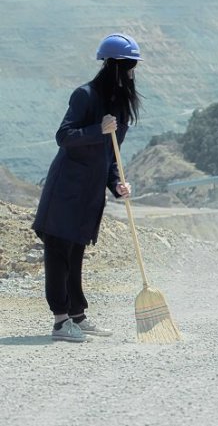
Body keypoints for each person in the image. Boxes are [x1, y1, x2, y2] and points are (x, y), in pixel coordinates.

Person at [32, 33, 142, 342]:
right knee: (58, 252)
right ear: (113, 66)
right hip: (65, 189)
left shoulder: (120, 108)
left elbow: (110, 157)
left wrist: (117, 184)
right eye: (128, 66)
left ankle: (77, 316)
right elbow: (64, 137)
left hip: (90, 194)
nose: (132, 73)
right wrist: (97, 129)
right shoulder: (84, 95)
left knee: (76, 252)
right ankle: (60, 322)